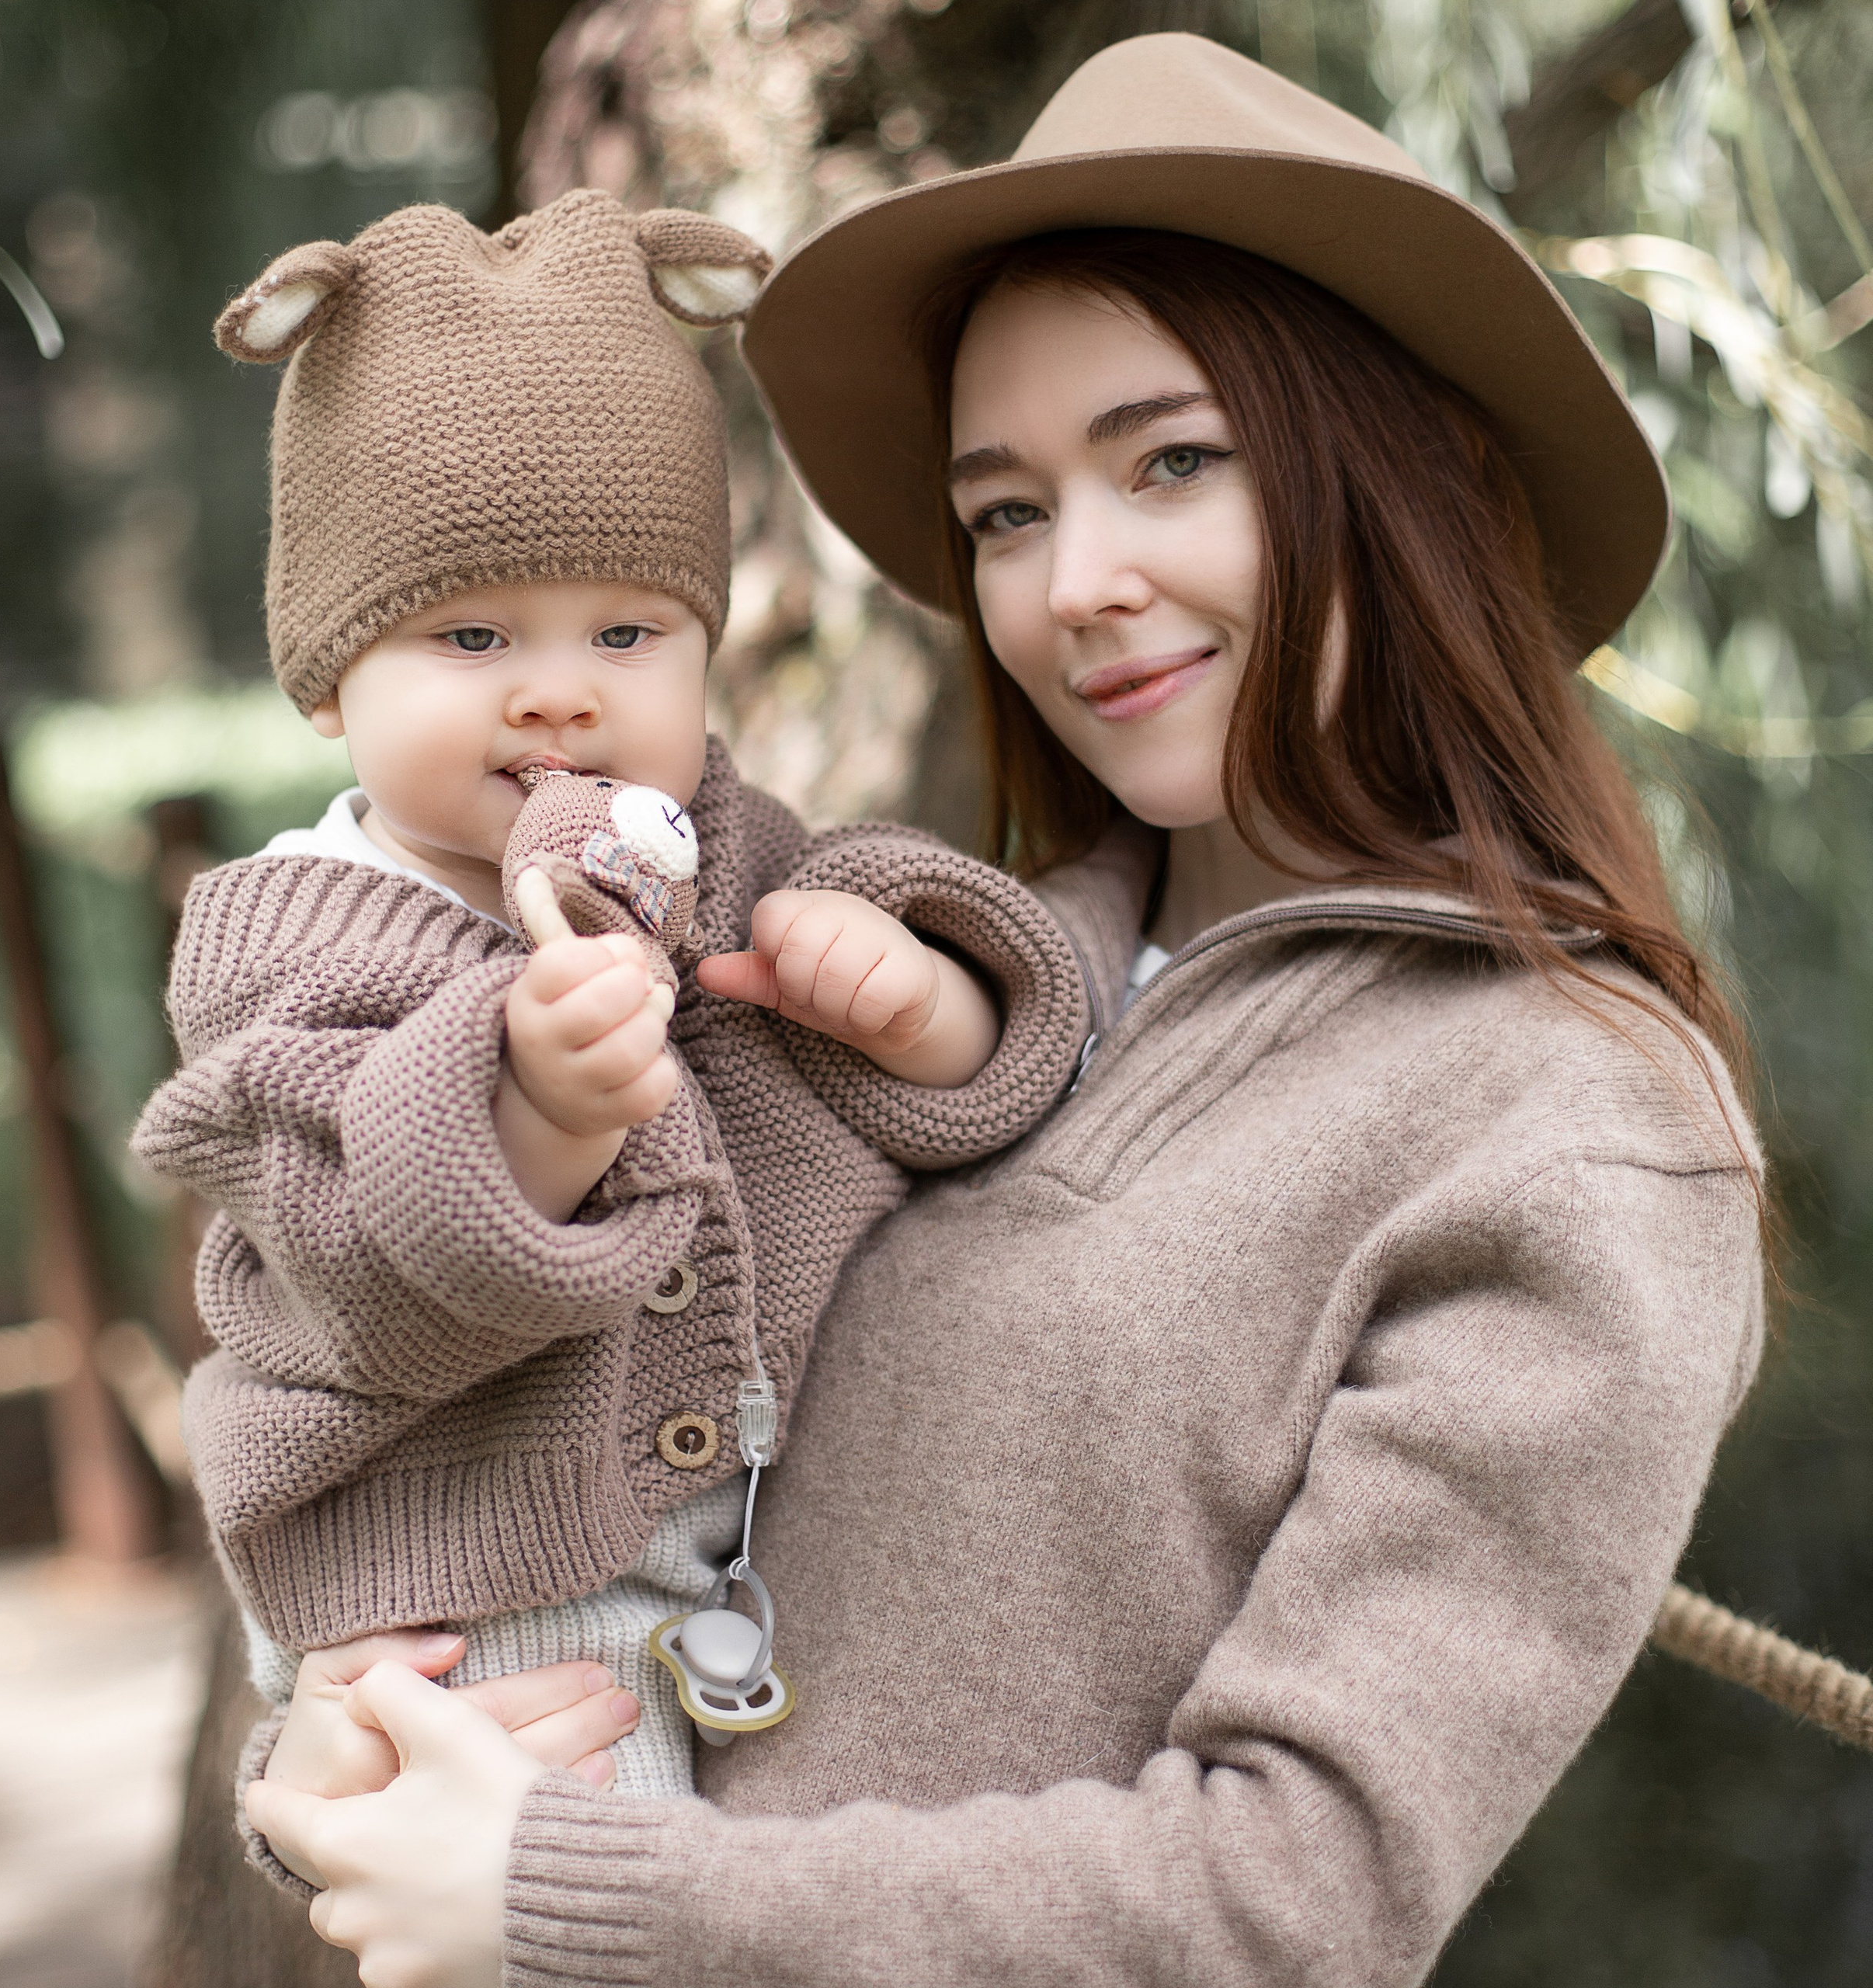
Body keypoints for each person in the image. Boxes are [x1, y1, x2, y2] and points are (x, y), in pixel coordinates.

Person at [243, 35, 1767, 1987]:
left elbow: (1292, 1898)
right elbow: (513, 1420)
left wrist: (578, 1899)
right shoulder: (892, 992)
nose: (1077, 584)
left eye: (1172, 463)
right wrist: (346, 1753)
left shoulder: (1567, 1130)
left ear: (1423, 469)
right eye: (1005, 511)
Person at [130, 187, 1091, 1850]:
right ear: (325, 674)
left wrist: (911, 996)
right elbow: (351, 1253)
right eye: (472, 632)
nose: (557, 689)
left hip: (737, 1546)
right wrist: (535, 1105)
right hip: (472, 1572)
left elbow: (990, 1075)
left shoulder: (725, 846)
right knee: (576, 1902)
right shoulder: (288, 940)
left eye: (627, 630)